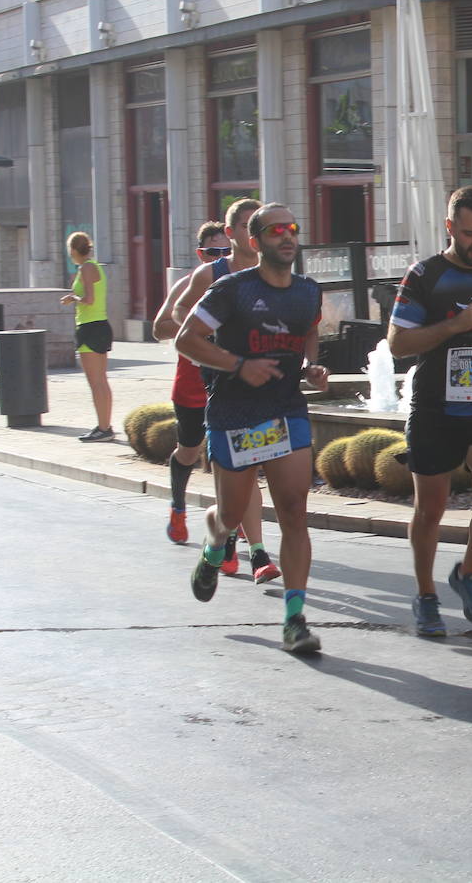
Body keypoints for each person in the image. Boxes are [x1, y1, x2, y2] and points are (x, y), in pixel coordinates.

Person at [175, 204, 328, 653]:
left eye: (292, 228)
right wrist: (239, 365)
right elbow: (186, 339)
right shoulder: (231, 290)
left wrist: (313, 368)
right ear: (256, 241)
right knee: (230, 515)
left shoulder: (307, 292)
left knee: (294, 513)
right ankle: (214, 543)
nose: (287, 236)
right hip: (235, 415)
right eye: (276, 230)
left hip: (286, 410)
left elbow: (309, 334)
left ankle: (294, 619)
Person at [386, 185, 472, 637]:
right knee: (431, 510)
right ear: (450, 228)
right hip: (435, 407)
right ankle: (425, 595)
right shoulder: (424, 275)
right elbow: (398, 343)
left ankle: (466, 572)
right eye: (469, 233)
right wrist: (455, 325)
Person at [153, 213, 279, 584]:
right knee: (190, 451)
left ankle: (245, 547)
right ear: (202, 252)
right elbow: (162, 326)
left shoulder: (258, 278)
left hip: (236, 385)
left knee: (235, 465)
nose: (219, 255)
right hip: (194, 382)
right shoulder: (197, 281)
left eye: (222, 250)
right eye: (213, 251)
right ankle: (179, 508)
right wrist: (205, 330)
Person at [61, 232, 113, 442]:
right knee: (101, 381)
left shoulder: (86, 268)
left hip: (90, 327)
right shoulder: (95, 266)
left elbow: (89, 299)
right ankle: (104, 426)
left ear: (73, 250)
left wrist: (72, 297)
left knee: (96, 382)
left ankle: (104, 428)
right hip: (99, 325)